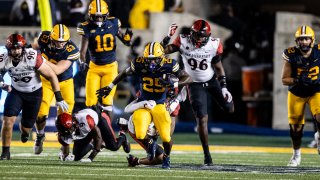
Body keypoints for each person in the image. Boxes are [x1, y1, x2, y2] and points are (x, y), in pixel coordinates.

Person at [96, 42, 190, 169]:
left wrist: (174, 84)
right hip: (144, 103)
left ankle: (166, 157)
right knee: (140, 133)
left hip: (160, 104)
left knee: (166, 136)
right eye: (149, 59)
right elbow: (124, 72)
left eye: (154, 59)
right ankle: (151, 144)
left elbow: (189, 78)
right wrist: (110, 86)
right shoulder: (139, 63)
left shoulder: (170, 65)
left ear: (162, 57)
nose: (151, 63)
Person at [164, 19, 234, 166]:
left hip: (212, 80)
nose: (201, 39)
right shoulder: (183, 41)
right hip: (194, 84)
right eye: (198, 35)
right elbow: (162, 51)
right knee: (202, 119)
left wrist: (224, 87)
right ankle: (207, 155)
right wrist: (167, 37)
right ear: (191, 34)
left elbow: (219, 67)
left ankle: (226, 99)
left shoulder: (214, 44)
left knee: (230, 108)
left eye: (204, 36)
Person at [0, 34, 68, 160]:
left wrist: (58, 97)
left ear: (23, 48)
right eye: (13, 49)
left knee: (26, 129)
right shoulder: (3, 58)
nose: (16, 51)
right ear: (8, 50)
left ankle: (26, 132)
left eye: (18, 48)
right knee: (8, 121)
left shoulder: (32, 57)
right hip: (16, 92)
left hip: (34, 94)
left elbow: (52, 75)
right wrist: (2, 83)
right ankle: (5, 152)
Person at [77, 0, 132, 118]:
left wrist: (128, 38)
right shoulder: (86, 27)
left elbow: (126, 41)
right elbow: (82, 51)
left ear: (106, 15)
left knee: (107, 104)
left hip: (110, 68)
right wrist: (81, 61)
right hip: (94, 68)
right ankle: (93, 131)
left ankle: (108, 133)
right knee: (91, 102)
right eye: (96, 17)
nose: (98, 20)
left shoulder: (113, 23)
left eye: (101, 17)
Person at [32, 24, 80, 155]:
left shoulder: (72, 50)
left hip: (64, 82)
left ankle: (65, 150)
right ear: (51, 39)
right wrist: (32, 51)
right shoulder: (44, 37)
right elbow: (34, 45)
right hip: (45, 80)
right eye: (58, 41)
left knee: (66, 118)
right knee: (41, 113)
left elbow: (58, 70)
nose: (60, 44)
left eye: (63, 41)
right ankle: (40, 136)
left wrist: (38, 59)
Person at [281, 25, 320, 166]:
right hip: (297, 92)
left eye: (306, 39)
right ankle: (296, 155)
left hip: (316, 90)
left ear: (312, 40)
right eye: (301, 39)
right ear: (297, 41)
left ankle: (318, 136)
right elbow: (284, 80)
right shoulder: (291, 54)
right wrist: (297, 79)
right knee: (296, 129)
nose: (304, 42)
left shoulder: (319, 52)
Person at [123, 87, 186, 167]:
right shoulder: (147, 96)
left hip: (152, 131)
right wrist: (143, 104)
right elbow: (127, 109)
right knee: (142, 134)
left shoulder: (173, 104)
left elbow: (170, 127)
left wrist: (159, 129)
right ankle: (126, 128)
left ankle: (137, 161)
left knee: (165, 145)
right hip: (137, 128)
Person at [56, 107, 130, 162]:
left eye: (69, 129)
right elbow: (66, 147)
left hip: (99, 119)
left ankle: (122, 134)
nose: (69, 132)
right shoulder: (63, 134)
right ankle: (95, 143)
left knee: (114, 146)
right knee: (76, 157)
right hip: (88, 130)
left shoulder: (86, 120)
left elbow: (98, 136)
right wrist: (65, 154)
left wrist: (91, 157)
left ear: (73, 122)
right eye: (66, 131)